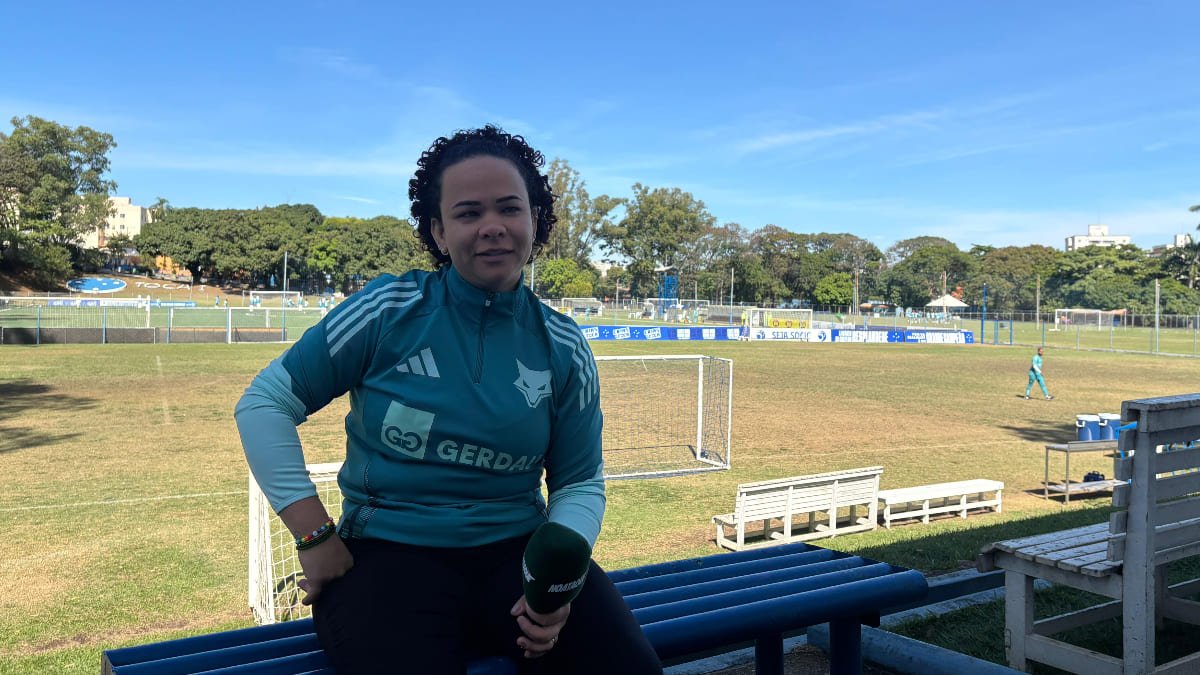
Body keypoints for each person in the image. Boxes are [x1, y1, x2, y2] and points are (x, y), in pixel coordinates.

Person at [235, 125, 662, 675]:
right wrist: (314, 533)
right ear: (437, 231)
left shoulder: (562, 343)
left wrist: (556, 586)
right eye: (467, 214)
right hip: (385, 557)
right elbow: (265, 402)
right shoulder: (387, 310)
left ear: (535, 220)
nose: (492, 228)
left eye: (510, 209)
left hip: (517, 556)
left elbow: (579, 481)